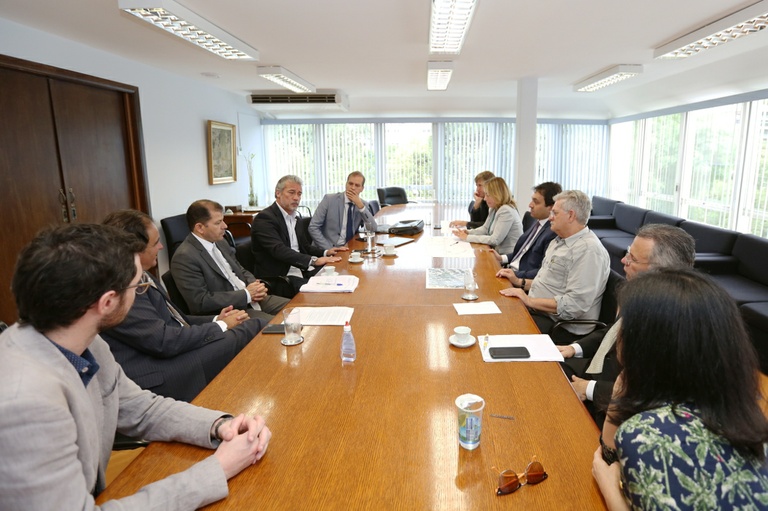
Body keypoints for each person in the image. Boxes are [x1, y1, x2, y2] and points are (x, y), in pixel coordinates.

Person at [0, 224, 271, 510]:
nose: (141, 291)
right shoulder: (25, 404)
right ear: (107, 302)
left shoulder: (85, 341)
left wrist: (220, 425)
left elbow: (141, 407)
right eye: (139, 286)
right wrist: (219, 468)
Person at [592, 269, 768, 510]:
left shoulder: (646, 435)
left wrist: (611, 492)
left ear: (647, 342)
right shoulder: (747, 414)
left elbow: (608, 463)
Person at [101, 209, 265, 402]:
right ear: (134, 250)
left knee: (250, 325)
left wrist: (217, 319)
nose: (162, 247)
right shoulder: (121, 287)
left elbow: (177, 320)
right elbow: (164, 341)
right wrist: (222, 326)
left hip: (175, 349)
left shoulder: (143, 273)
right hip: (160, 371)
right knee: (254, 327)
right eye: (155, 243)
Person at [558, 224, 696, 428]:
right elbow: (612, 331)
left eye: (632, 258)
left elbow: (651, 395)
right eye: (627, 253)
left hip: (613, 407)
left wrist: (589, 388)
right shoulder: (638, 293)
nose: (623, 261)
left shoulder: (675, 321)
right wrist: (574, 348)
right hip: (597, 370)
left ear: (661, 270)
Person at [500, 190, 609, 344]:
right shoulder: (559, 240)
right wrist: (519, 282)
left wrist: (529, 301)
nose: (550, 217)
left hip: (560, 328)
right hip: (541, 312)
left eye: (555, 213)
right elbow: (552, 282)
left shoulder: (588, 251)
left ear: (571, 215)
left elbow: (574, 305)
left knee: (500, 329)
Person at [171, 200, 289, 319]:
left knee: (299, 309)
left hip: (253, 299)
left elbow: (240, 269)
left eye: (223, 220)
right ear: (200, 228)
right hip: (231, 311)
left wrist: (255, 286)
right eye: (218, 223)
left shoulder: (221, 241)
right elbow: (200, 302)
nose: (225, 226)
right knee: (282, 325)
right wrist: (246, 294)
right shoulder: (184, 257)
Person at [251, 175, 345, 297]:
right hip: (279, 277)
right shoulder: (265, 219)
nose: (296, 198)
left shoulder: (296, 218)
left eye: (299, 194)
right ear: (278, 193)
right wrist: (313, 260)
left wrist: (326, 252)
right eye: (291, 192)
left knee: (338, 277)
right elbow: (278, 250)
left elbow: (305, 246)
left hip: (300, 270)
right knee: (323, 293)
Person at [493, 181, 562, 282]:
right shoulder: (537, 221)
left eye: (536, 202)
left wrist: (514, 274)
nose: (530, 205)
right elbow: (523, 252)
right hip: (510, 271)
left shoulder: (553, 233)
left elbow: (541, 271)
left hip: (521, 280)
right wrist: (501, 258)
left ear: (551, 207)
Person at [451, 176, 523, 255]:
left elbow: (495, 240)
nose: (485, 199)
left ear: (497, 195)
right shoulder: (494, 208)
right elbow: (485, 229)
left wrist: (467, 238)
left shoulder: (506, 211)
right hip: (496, 252)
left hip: (508, 256)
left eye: (487, 195)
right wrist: (468, 232)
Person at [308, 171, 377, 251]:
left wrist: (360, 206)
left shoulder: (362, 204)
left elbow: (373, 228)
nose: (353, 188)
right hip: (327, 249)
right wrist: (328, 249)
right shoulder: (329, 200)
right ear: (346, 184)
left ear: (362, 188)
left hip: (350, 248)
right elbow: (313, 227)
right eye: (350, 184)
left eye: (357, 185)